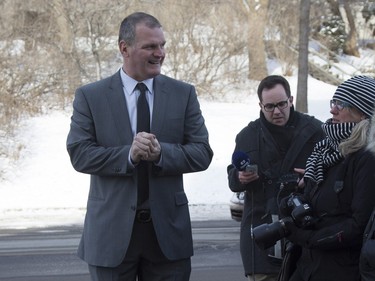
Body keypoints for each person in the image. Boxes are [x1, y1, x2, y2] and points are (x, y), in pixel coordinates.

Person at [66, 12, 213, 281]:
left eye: (162, 45)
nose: (160, 53)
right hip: (110, 237)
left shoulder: (183, 94)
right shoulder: (90, 96)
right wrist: (129, 155)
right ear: (124, 48)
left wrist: (161, 154)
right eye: (150, 46)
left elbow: (202, 153)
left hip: (168, 236)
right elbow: (80, 154)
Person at [227, 75, 325, 281]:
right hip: (261, 235)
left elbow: (335, 175)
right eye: (269, 106)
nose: (277, 111)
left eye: (281, 104)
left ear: (291, 100)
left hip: (307, 234)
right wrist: (240, 176)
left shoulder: (316, 131)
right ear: (260, 105)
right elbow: (233, 180)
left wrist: (310, 178)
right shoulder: (248, 135)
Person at [281, 75, 375, 281]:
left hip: (343, 272)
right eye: (334, 102)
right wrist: (295, 199)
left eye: (342, 105)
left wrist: (307, 238)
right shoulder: (326, 151)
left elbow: (359, 226)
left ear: (362, 113)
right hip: (308, 267)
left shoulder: (367, 158)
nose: (333, 109)